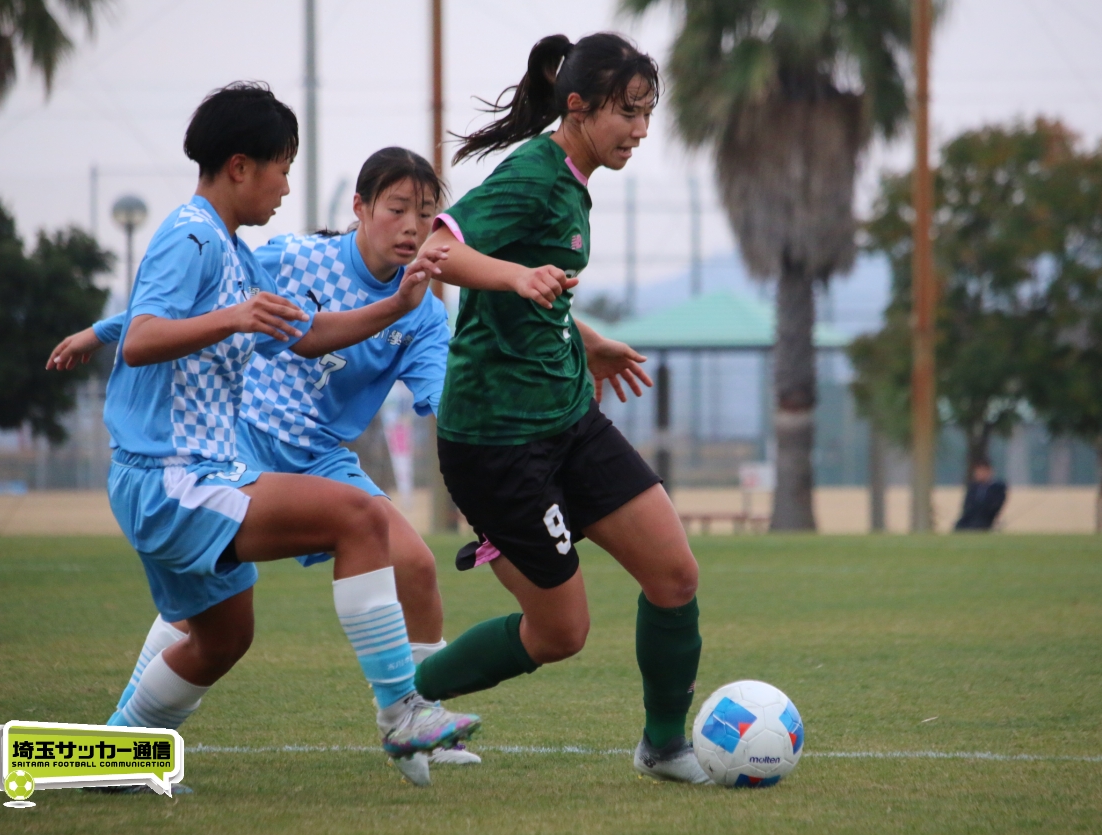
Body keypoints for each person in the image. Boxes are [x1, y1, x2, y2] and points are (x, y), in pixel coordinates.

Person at [49, 83, 478, 790]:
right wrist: (220, 319)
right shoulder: (192, 236)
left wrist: (397, 305)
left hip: (192, 472)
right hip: (172, 474)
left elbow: (305, 335)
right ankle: (404, 713)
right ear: (240, 166)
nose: (285, 185)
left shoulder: (235, 256)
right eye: (281, 168)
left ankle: (108, 760)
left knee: (224, 635)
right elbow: (145, 336)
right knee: (360, 517)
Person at [409, 33, 710, 784]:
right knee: (560, 633)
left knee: (675, 575)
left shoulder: (574, 179)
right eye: (628, 112)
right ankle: (410, 700)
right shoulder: (534, 175)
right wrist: (514, 277)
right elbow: (439, 251)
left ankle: (664, 746)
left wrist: (588, 338)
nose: (641, 129)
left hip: (568, 418)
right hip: (496, 442)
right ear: (577, 107)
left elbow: (538, 291)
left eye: (647, 112)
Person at [954, 460, 1008, 531]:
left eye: (982, 471)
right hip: (969, 519)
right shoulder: (973, 488)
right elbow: (967, 506)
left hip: (985, 520)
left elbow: (995, 507)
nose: (980, 474)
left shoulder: (998, 488)